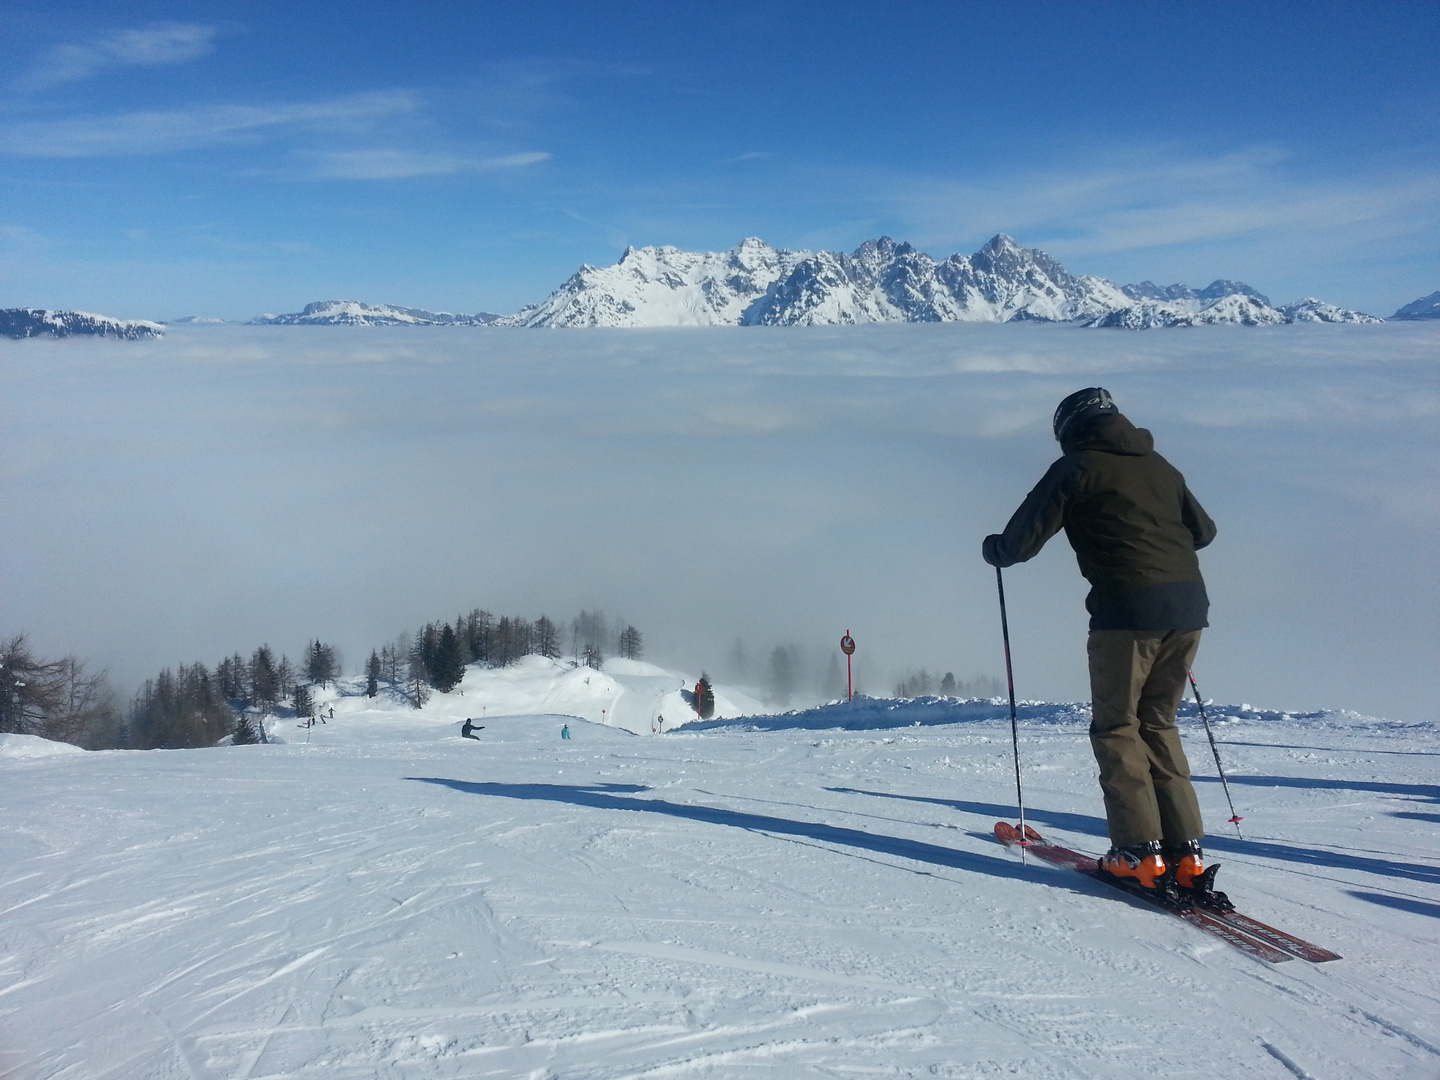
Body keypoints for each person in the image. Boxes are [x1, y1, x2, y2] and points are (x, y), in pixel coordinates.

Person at [982, 387, 1220, 901]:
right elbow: (1204, 532)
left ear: (1069, 430)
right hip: (1189, 610)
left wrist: (993, 550)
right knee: (1159, 722)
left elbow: (1019, 544)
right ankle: (1187, 858)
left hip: (1126, 613)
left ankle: (1138, 854)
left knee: (1117, 727)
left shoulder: (1077, 469)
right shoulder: (1161, 466)